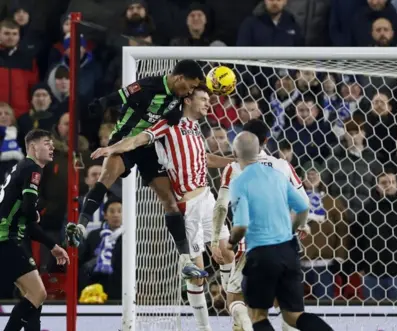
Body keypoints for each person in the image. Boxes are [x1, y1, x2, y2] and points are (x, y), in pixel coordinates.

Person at [91, 85, 233, 331]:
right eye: (203, 99)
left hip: (207, 198)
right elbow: (138, 138)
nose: (208, 104)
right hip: (186, 206)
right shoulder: (169, 124)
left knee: (228, 254)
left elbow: (205, 158)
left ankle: (236, 320)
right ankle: (204, 327)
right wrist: (112, 148)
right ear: (188, 99)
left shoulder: (195, 127)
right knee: (196, 273)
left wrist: (235, 161)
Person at [67, 60, 223, 278]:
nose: (189, 91)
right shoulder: (148, 86)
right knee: (106, 177)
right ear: (179, 78)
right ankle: (81, 226)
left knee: (169, 200)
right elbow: (121, 95)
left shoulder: (180, 98)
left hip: (150, 149)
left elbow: (192, 107)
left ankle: (186, 260)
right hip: (126, 141)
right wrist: (101, 103)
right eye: (189, 86)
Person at [226, 131, 332, 331]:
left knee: (257, 316)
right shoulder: (277, 175)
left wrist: (231, 242)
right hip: (288, 252)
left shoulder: (239, 182)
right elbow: (303, 206)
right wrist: (291, 230)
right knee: (294, 316)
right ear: (259, 151)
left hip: (262, 254)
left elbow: (241, 225)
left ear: (234, 152)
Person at [211, 118, 309, 331]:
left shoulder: (234, 168)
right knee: (288, 309)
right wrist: (297, 227)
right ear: (266, 140)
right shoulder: (282, 166)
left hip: (253, 247)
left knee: (234, 300)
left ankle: (245, 324)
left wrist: (215, 239)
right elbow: (304, 204)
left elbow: (220, 207)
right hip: (284, 247)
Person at [1, 129, 70, 331]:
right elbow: (28, 210)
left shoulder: (22, 167)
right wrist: (35, 213)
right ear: (33, 146)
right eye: (47, 143)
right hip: (6, 239)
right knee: (38, 293)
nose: (52, 147)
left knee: (34, 296)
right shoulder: (33, 169)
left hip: (10, 237)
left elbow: (28, 221)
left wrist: (53, 246)